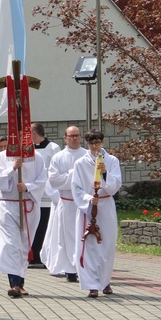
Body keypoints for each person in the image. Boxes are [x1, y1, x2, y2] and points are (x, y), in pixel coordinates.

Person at [0, 138, 46, 298]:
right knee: (11, 244)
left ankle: (20, 282)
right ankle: (15, 283)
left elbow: (42, 180)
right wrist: (12, 169)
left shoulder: (37, 157)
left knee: (24, 245)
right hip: (8, 206)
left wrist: (27, 187)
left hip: (28, 205)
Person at [72, 129, 122, 298]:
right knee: (90, 246)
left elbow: (115, 185)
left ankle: (105, 281)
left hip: (106, 205)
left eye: (97, 142)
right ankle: (92, 284)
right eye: (91, 143)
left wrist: (105, 173)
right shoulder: (80, 163)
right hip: (89, 207)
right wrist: (87, 199)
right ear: (87, 144)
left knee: (106, 245)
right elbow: (76, 187)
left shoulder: (112, 161)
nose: (94, 146)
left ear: (102, 142)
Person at [44, 126, 87, 282]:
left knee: (83, 236)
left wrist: (70, 179)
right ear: (65, 138)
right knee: (66, 236)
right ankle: (70, 270)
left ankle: (83, 267)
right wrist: (73, 176)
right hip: (67, 202)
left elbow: (90, 181)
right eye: (71, 136)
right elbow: (55, 180)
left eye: (77, 136)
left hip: (83, 204)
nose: (74, 139)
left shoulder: (87, 156)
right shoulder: (59, 157)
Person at [29, 122, 61, 265]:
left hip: (48, 194)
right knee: (33, 225)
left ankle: (43, 256)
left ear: (34, 133)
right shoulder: (29, 149)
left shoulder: (53, 148)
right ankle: (32, 255)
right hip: (33, 193)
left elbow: (57, 170)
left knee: (45, 226)